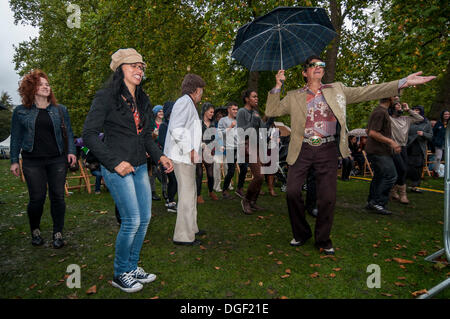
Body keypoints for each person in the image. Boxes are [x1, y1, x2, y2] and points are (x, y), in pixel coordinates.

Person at [266, 55, 435, 255]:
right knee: (293, 192)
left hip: (327, 148)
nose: (318, 67)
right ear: (305, 72)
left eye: (321, 64)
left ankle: (323, 240)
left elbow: (366, 91)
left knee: (328, 198)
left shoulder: (337, 89)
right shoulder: (294, 95)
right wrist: (277, 86)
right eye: (313, 65)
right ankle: (301, 233)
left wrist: (403, 82)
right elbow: (271, 109)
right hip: (301, 148)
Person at [83, 48, 173, 293]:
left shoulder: (142, 99)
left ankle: (132, 267)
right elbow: (89, 135)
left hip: (141, 166)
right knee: (131, 220)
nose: (138, 69)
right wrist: (113, 162)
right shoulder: (106, 97)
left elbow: (145, 137)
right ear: (119, 69)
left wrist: (160, 156)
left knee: (144, 219)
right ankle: (120, 272)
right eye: (132, 65)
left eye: (141, 66)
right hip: (117, 168)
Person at [10, 69, 77, 248]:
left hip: (57, 159)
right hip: (32, 161)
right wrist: (14, 160)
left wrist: (71, 151)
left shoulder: (60, 110)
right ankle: (35, 231)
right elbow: (15, 137)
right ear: (31, 88)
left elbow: (69, 133)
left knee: (58, 197)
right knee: (37, 198)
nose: (46, 87)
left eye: (47, 84)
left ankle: (58, 233)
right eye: (41, 84)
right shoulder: (20, 112)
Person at [164, 73, 205, 246]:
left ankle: (192, 228)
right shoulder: (183, 102)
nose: (202, 94)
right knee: (187, 196)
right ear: (196, 90)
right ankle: (183, 236)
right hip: (182, 156)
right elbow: (176, 128)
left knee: (191, 193)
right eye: (202, 90)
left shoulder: (188, 103)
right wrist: (190, 150)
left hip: (187, 157)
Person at [365, 97, 401, 215]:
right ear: (389, 98)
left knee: (379, 176)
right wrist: (392, 142)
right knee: (390, 176)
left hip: (377, 150)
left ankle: (372, 202)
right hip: (378, 151)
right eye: (395, 97)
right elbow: (372, 132)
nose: (397, 99)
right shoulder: (380, 112)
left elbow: (368, 130)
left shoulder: (379, 111)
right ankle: (378, 203)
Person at [237, 89, 269, 215]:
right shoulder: (241, 112)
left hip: (257, 146)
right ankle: (246, 201)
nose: (257, 99)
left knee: (261, 176)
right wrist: (251, 123)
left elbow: (264, 128)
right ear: (247, 99)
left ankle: (253, 202)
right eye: (254, 97)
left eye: (257, 97)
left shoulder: (255, 112)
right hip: (247, 146)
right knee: (259, 176)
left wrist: (270, 117)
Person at [388, 100, 423, 204]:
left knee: (403, 170)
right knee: (402, 169)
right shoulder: (389, 119)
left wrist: (408, 109)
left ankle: (393, 191)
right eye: (397, 105)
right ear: (392, 108)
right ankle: (403, 194)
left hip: (404, 147)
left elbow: (420, 118)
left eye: (400, 105)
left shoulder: (406, 119)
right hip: (394, 147)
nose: (399, 106)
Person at [406, 105, 433, 193]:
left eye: (417, 110)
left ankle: (415, 186)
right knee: (407, 167)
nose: (416, 112)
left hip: (419, 147)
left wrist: (423, 134)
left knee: (418, 168)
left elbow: (431, 136)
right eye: (414, 110)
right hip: (408, 146)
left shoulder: (426, 122)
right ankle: (403, 186)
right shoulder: (408, 120)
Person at [196, 103, 218, 203]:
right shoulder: (198, 123)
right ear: (205, 111)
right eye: (211, 112)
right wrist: (201, 145)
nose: (212, 114)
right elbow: (195, 136)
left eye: (213, 112)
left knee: (210, 174)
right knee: (199, 174)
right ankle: (198, 195)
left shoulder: (213, 124)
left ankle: (211, 191)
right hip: (199, 151)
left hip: (209, 151)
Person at [158, 101, 178, 213]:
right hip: (166, 158)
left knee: (174, 180)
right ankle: (170, 203)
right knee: (173, 180)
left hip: (176, 157)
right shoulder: (164, 126)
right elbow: (161, 141)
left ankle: (170, 200)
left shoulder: (175, 124)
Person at [218, 101, 239, 200]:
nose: (235, 111)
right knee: (231, 170)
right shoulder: (223, 120)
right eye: (233, 109)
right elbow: (220, 133)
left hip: (238, 147)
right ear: (228, 109)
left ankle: (239, 189)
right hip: (229, 147)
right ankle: (225, 190)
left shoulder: (238, 120)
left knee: (239, 169)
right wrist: (230, 127)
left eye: (236, 109)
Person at [148, 104, 167, 201]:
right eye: (159, 111)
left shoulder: (165, 123)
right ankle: (153, 192)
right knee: (153, 172)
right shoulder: (151, 123)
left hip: (163, 150)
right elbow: (148, 138)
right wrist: (154, 135)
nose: (161, 113)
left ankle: (165, 191)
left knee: (164, 171)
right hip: (153, 150)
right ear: (155, 112)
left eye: (162, 111)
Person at [431, 110, 449, 178]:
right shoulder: (438, 123)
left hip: (448, 143)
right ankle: (435, 171)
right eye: (445, 114)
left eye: (448, 114)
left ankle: (447, 172)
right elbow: (434, 133)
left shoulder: (449, 123)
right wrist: (435, 141)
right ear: (442, 115)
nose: (447, 116)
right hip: (439, 143)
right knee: (438, 157)